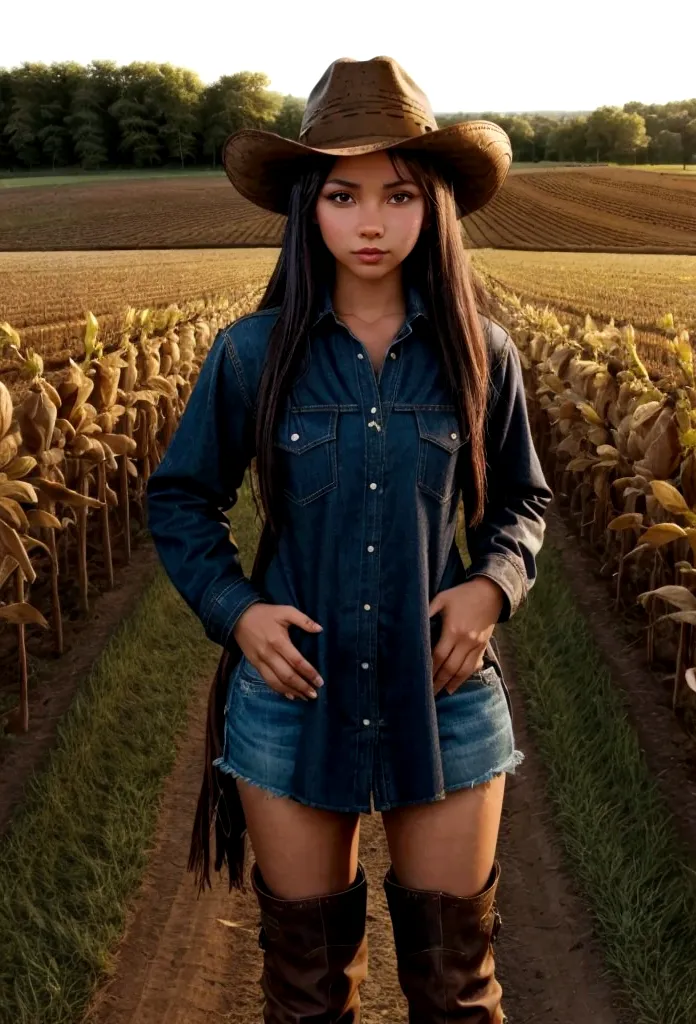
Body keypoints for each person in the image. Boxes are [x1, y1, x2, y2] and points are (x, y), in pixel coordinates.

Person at [146, 55, 552, 1024]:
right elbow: (180, 498)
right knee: (306, 995)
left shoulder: (480, 353)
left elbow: (522, 503)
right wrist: (238, 613)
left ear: (434, 206)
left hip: (442, 695)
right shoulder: (252, 352)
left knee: (458, 992)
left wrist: (492, 585)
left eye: (399, 195)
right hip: (293, 700)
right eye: (343, 194)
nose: (371, 222)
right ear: (308, 208)